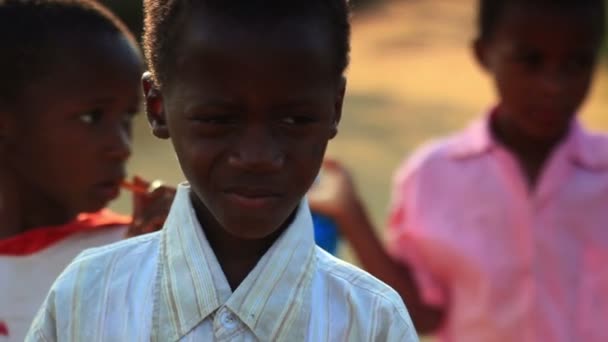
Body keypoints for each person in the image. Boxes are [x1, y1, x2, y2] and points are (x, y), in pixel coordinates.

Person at [26, 1, 419, 341]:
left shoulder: (372, 321)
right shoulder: (87, 297)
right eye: (218, 120)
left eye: (296, 120)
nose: (257, 156)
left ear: (335, 109)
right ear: (158, 109)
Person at [308, 0, 608, 340]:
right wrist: (352, 214)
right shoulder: (431, 176)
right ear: (484, 53)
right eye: (530, 61)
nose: (553, 85)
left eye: (576, 63)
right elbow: (420, 316)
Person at [0, 1, 170, 341]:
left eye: (127, 119)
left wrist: (150, 266)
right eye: (93, 117)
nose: (122, 145)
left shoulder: (136, 248)